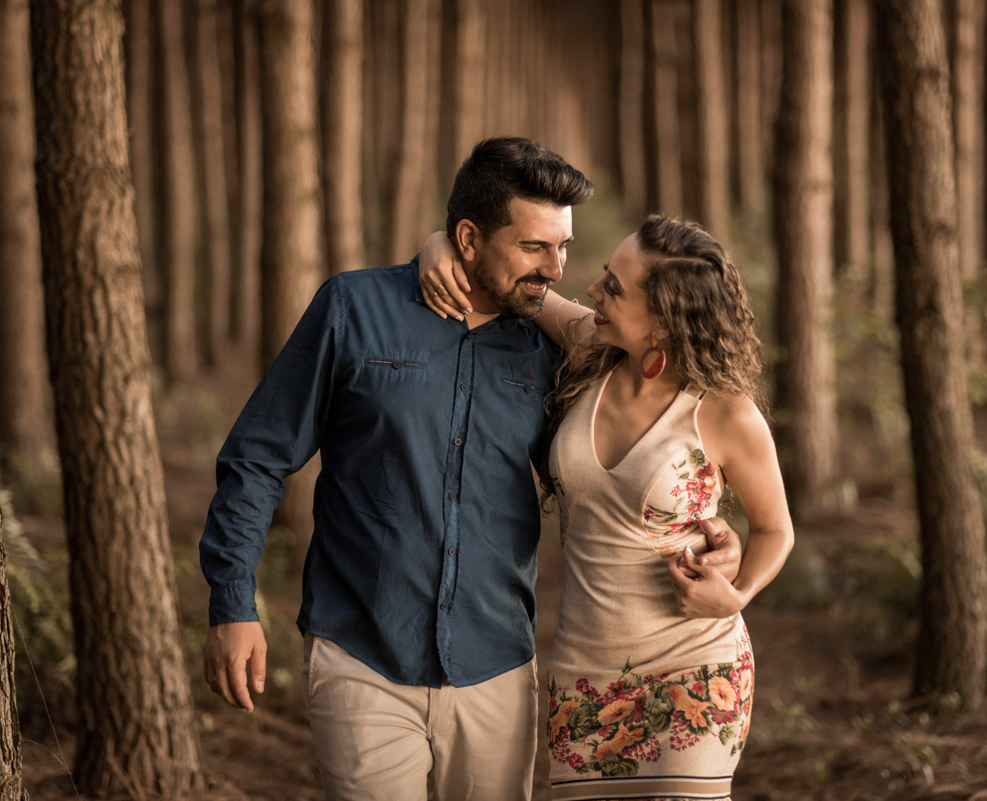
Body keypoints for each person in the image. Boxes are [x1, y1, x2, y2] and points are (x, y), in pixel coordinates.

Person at [198, 137, 745, 801]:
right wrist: (233, 603)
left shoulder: (560, 355)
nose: (556, 268)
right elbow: (257, 456)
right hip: (360, 653)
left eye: (564, 247)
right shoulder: (355, 310)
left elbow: (645, 449)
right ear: (467, 237)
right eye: (535, 247)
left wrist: (713, 533)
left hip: (497, 668)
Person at [419, 213, 794, 800]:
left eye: (615, 287)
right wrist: (441, 243)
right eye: (604, 276)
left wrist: (738, 592)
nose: (594, 290)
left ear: (666, 320)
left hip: (695, 666)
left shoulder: (725, 411)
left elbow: (775, 528)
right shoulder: (590, 345)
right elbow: (524, 289)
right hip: (585, 678)